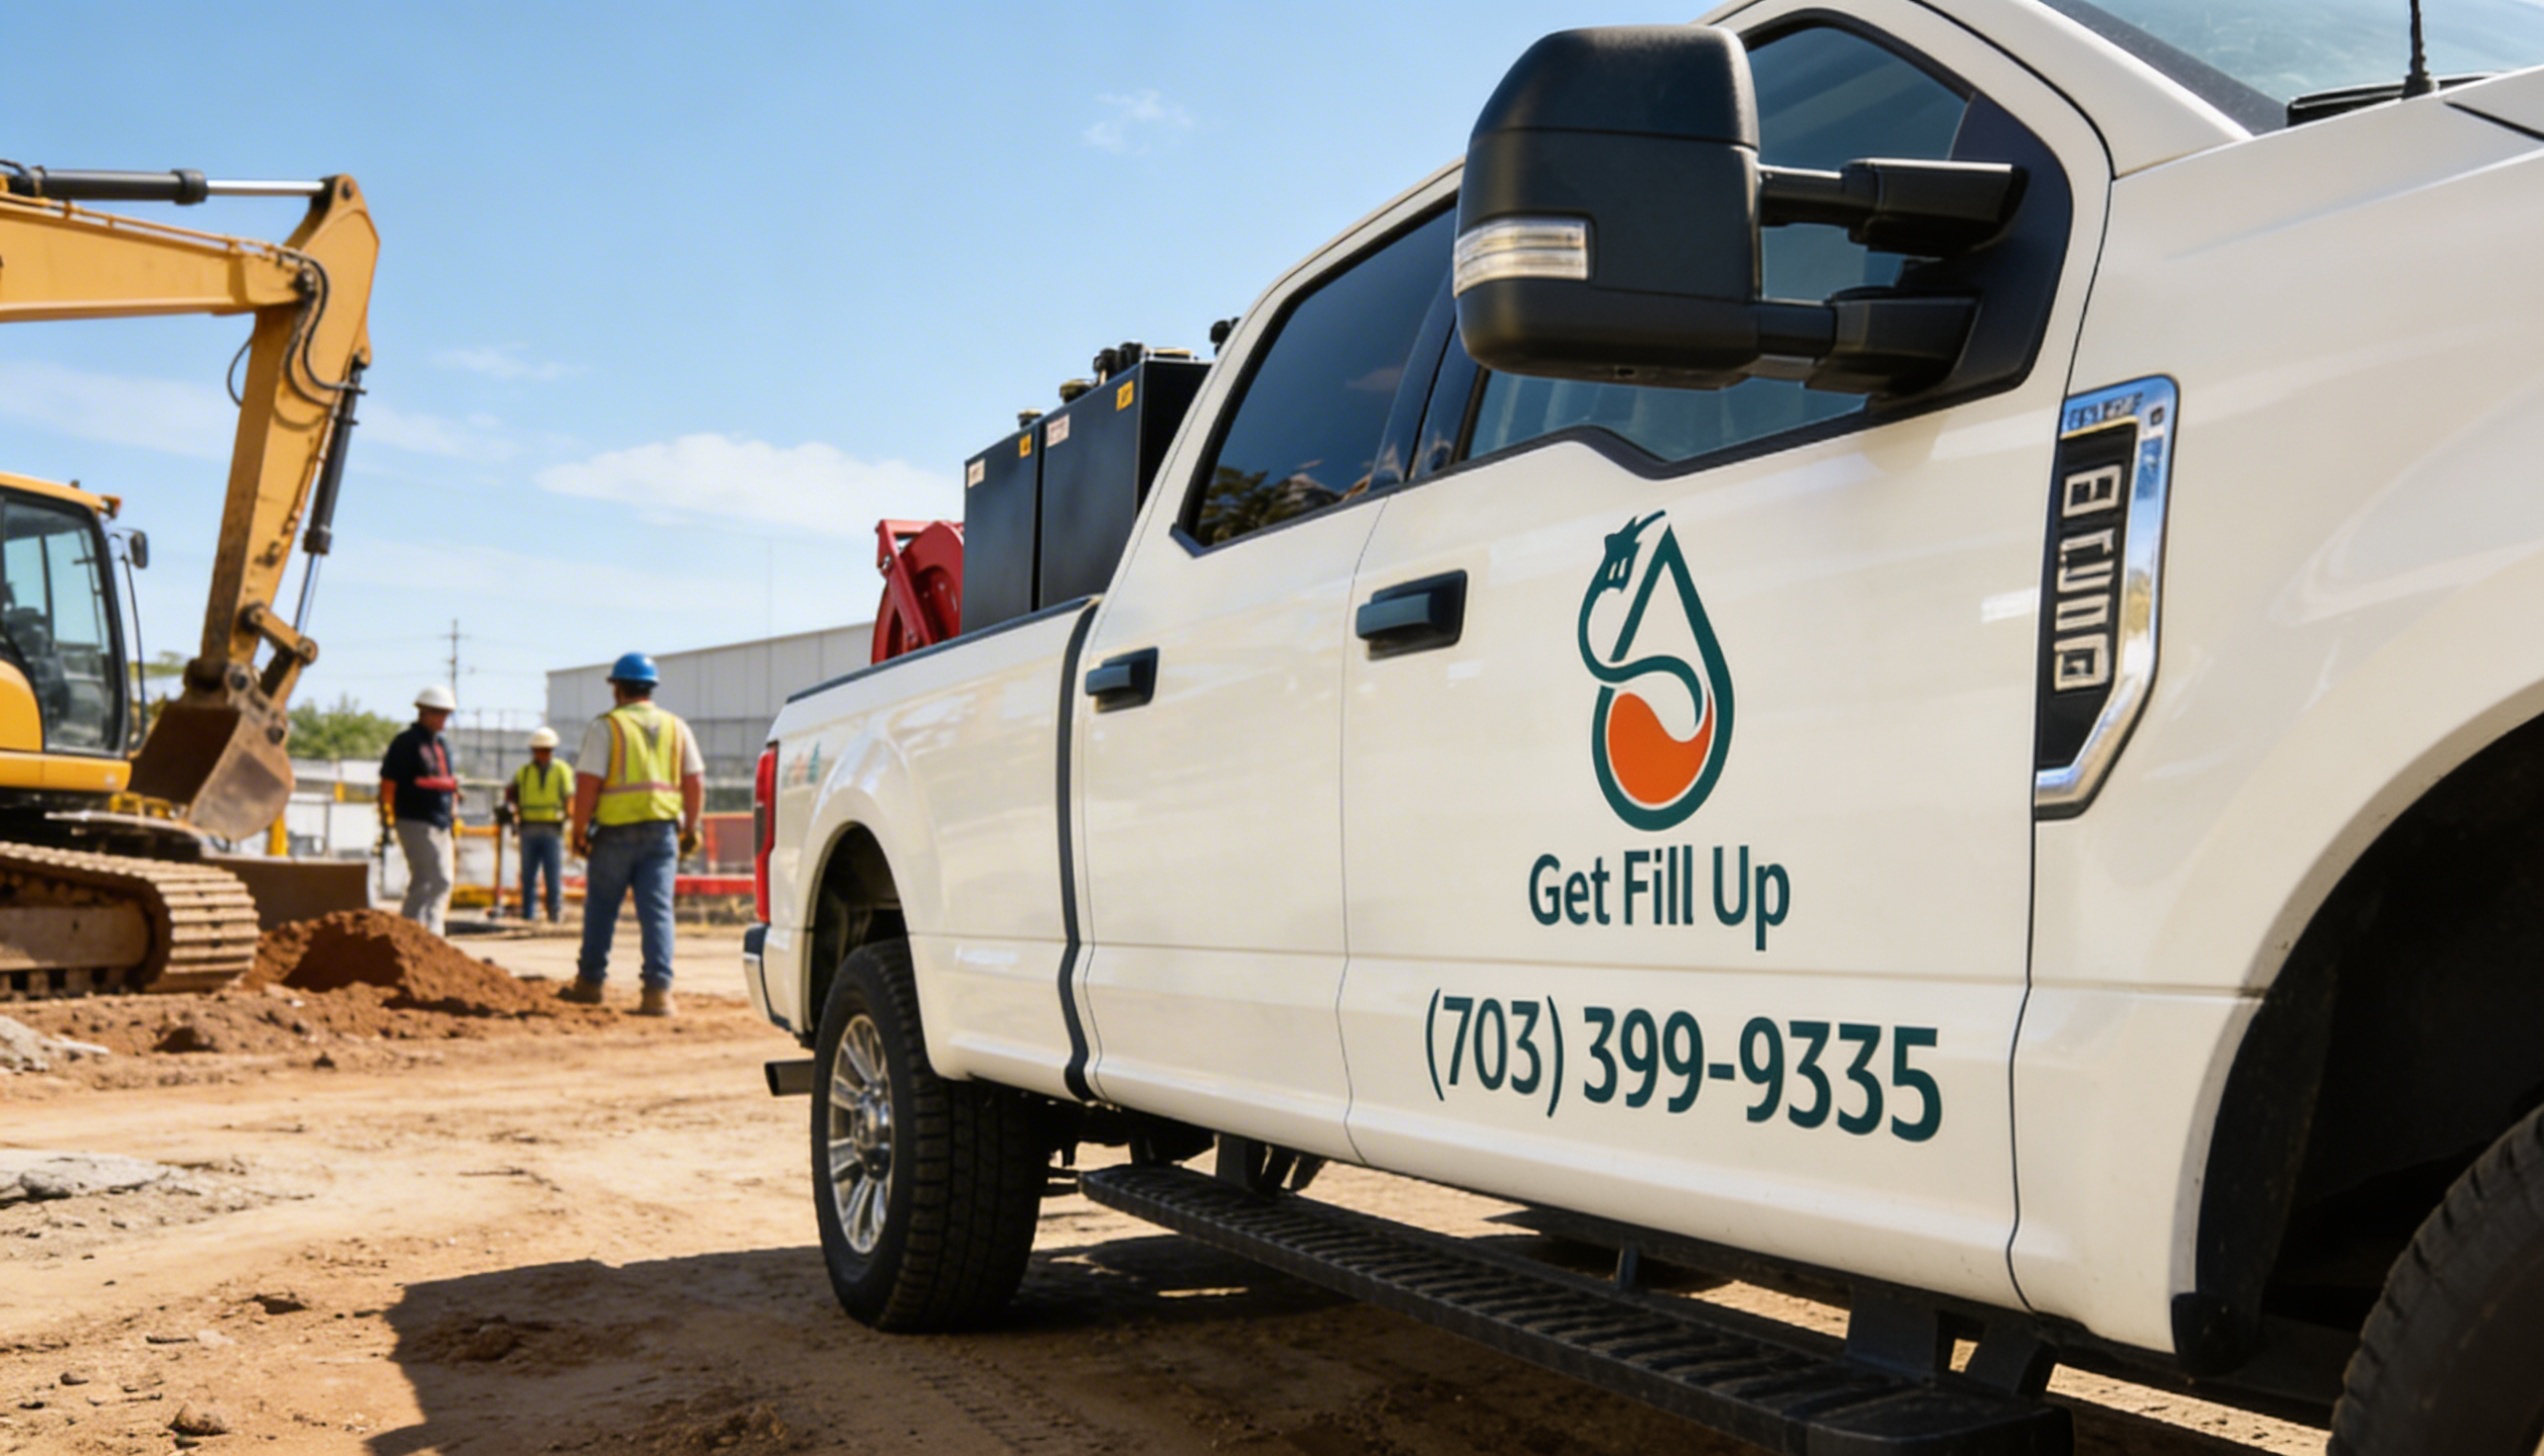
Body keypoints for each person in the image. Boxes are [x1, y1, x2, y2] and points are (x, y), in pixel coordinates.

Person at [562, 653, 703, 1015]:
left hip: (613, 834)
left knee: (601, 910)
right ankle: (658, 994)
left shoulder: (607, 727)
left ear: (617, 687)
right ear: (650, 687)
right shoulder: (676, 727)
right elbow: (694, 780)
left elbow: (587, 783)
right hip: (662, 834)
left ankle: (590, 985)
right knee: (657, 912)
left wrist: (578, 832)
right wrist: (690, 827)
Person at [379, 685, 460, 935]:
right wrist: (387, 816)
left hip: (441, 822)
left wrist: (453, 813)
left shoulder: (441, 746)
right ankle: (428, 935)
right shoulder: (406, 743)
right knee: (436, 878)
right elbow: (388, 783)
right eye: (438, 713)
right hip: (414, 820)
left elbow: (450, 781)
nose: (443, 719)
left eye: (446, 714)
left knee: (431, 880)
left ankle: (413, 934)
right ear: (423, 712)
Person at [505, 726, 570, 925]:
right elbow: (511, 793)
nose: (543, 754)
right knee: (528, 875)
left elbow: (570, 797)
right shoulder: (524, 773)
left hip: (552, 828)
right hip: (529, 828)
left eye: (546, 750)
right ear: (533, 750)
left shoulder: (561, 771)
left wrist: (570, 819)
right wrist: (514, 813)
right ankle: (529, 914)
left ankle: (554, 914)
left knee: (553, 874)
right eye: (539, 749)